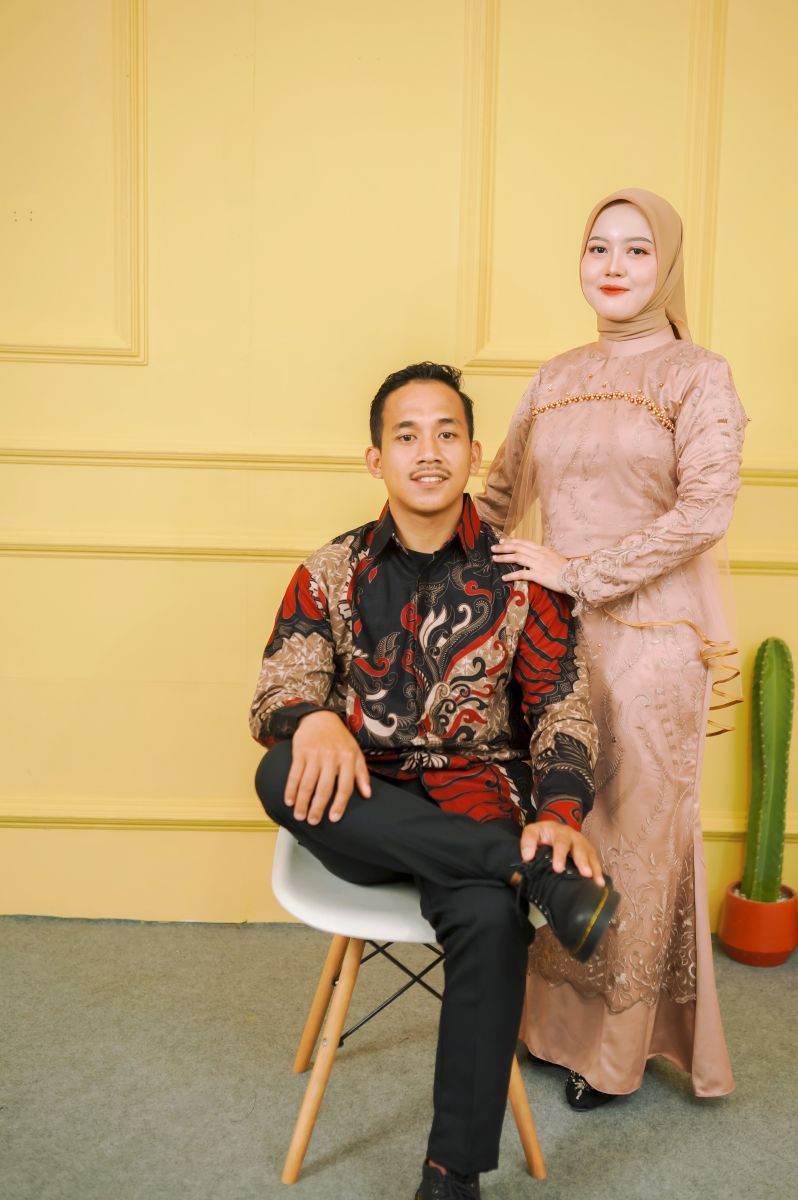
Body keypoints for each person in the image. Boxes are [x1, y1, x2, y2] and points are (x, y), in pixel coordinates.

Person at [249, 361, 620, 1200]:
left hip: (479, 801)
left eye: (447, 434)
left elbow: (562, 710)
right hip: (364, 808)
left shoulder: (522, 578)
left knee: (488, 917)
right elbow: (279, 688)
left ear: (474, 453)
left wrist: (560, 813)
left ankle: (451, 1179)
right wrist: (312, 722)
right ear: (375, 459)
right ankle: (527, 872)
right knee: (278, 772)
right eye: (406, 435)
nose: (428, 452)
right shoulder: (332, 570)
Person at [476, 188, 745, 1109]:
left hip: (653, 649)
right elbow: (498, 497)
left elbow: (705, 510)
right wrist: (423, 569)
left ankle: (613, 1055)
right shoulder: (554, 376)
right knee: (562, 828)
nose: (615, 265)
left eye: (637, 249)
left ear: (665, 266)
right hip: (551, 643)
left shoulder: (699, 376)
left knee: (632, 839)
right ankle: (544, 1026)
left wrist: (580, 571)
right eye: (599, 247)